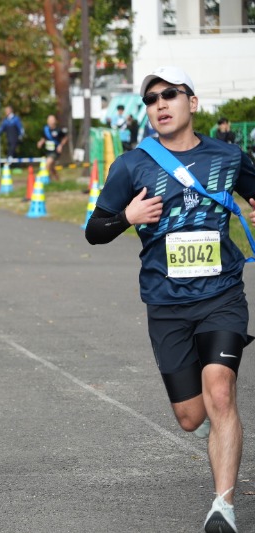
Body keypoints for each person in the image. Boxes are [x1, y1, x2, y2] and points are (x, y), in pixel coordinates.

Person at [85, 66, 255, 533]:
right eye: (151, 99)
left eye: (170, 94)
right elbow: (94, 230)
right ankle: (215, 427)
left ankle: (223, 507)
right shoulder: (132, 164)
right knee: (190, 416)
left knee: (220, 391)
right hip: (166, 304)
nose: (160, 104)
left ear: (192, 103)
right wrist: (127, 215)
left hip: (222, 294)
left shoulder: (228, 156)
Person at [36, 114, 69, 182]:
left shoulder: (59, 130)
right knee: (52, 167)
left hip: (55, 151)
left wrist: (60, 145)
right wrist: (40, 142)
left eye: (52, 120)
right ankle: (57, 179)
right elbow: (44, 138)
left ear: (55, 121)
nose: (50, 122)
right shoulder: (45, 129)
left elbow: (65, 138)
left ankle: (47, 180)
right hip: (48, 150)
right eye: (49, 120)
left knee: (48, 163)